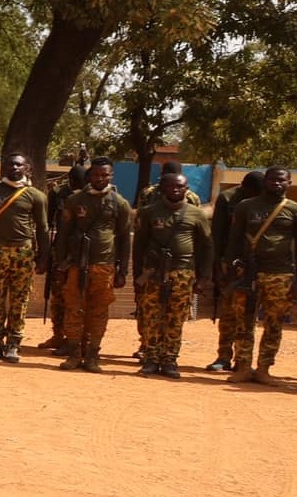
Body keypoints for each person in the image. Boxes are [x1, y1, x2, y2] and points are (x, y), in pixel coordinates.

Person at [53, 157, 131, 373]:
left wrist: (122, 271)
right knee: (74, 309)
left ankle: (93, 355)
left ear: (111, 176)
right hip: (77, 265)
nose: (100, 178)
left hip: (104, 266)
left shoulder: (120, 203)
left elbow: (124, 239)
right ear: (90, 175)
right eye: (96, 174)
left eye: (104, 175)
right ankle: (74, 353)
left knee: (98, 312)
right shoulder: (75, 200)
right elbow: (63, 234)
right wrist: (60, 265)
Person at [134, 171, 212, 379]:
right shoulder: (149, 212)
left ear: (187, 189)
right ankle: (151, 358)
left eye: (181, 186)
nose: (176, 190)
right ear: (162, 188)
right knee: (151, 316)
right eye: (171, 186)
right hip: (153, 272)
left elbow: (206, 247)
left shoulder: (196, 214)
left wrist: (204, 277)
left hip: (183, 272)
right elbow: (139, 245)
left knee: (176, 317)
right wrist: (136, 275)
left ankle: (169, 359)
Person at [223, 167, 297, 384]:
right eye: (272, 179)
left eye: (281, 180)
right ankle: (243, 367)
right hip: (248, 273)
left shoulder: (293, 209)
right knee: (243, 321)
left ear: (289, 183)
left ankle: (264, 368)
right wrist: (229, 268)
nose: (276, 183)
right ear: (265, 181)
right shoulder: (246, 207)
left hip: (280, 274)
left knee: (273, 322)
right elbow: (234, 239)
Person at [0, 152, 50, 363]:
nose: (14, 168)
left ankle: (13, 344)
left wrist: (44, 257)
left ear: (27, 169)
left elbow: (43, 229)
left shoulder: (36, 196)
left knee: (19, 300)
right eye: (10, 165)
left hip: (23, 253)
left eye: (18, 165)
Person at [207, 171, 265, 371]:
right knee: (228, 311)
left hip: (257, 264)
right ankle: (223, 356)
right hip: (230, 262)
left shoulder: (267, 200)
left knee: (249, 314)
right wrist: (218, 267)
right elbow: (217, 234)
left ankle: (243, 360)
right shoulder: (228, 198)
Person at [42, 164, 88, 353]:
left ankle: (76, 338)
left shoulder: (89, 197)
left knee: (79, 297)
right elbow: (47, 222)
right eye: (75, 182)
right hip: (60, 250)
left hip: (82, 252)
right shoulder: (58, 194)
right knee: (58, 295)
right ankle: (58, 334)